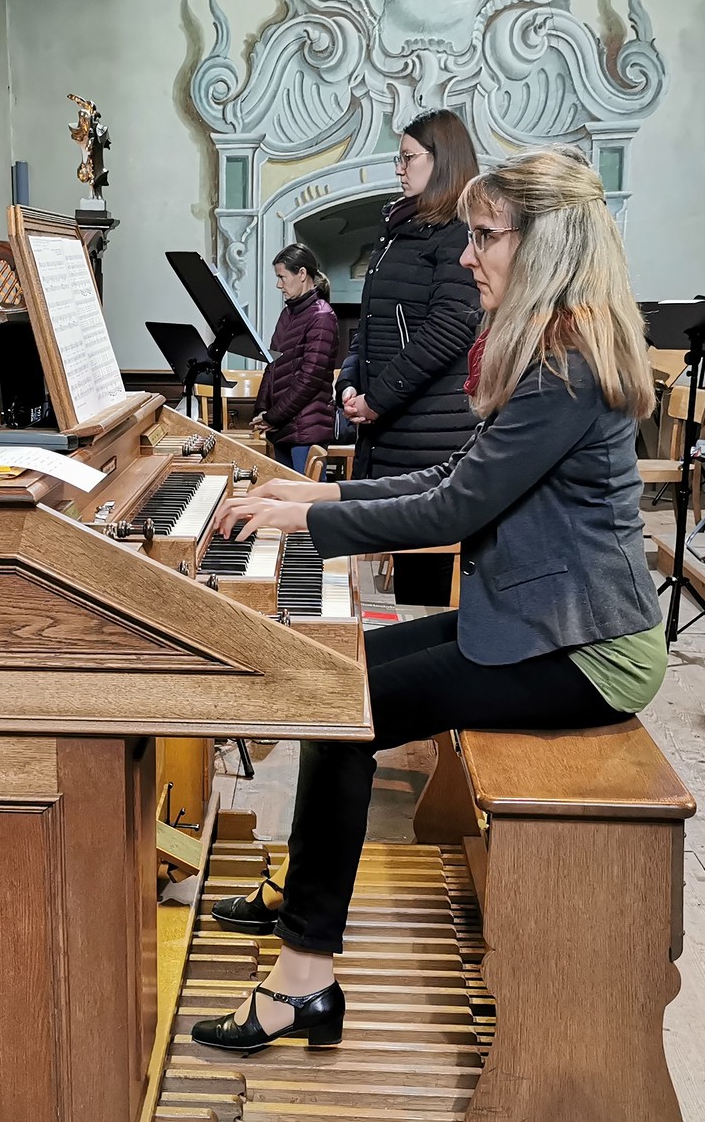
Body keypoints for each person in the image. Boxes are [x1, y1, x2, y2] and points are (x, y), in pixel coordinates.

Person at [190, 145, 667, 1053]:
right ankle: (303, 895)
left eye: (486, 236)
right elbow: (456, 475)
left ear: (545, 244)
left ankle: (303, 980)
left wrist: (306, 522)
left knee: (344, 709)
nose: (467, 255)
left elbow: (454, 510)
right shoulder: (550, 346)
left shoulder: (565, 364)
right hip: (542, 618)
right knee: (339, 676)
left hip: (588, 650)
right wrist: (319, 493)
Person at [336, 107, 482, 603]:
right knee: (404, 586)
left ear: (442, 160)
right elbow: (370, 324)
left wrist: (377, 399)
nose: (398, 169)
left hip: (428, 431)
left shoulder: (458, 231)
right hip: (392, 426)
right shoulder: (401, 229)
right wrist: (349, 382)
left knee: (426, 589)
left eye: (408, 158)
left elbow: (450, 328)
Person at [251, 244, 338, 473]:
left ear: (301, 273)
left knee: (307, 494)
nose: (278, 285)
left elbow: (309, 379)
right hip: (283, 427)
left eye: (282, 277)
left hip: (306, 429)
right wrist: (262, 410)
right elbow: (272, 365)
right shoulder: (288, 313)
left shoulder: (322, 316)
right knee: (285, 492)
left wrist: (273, 417)